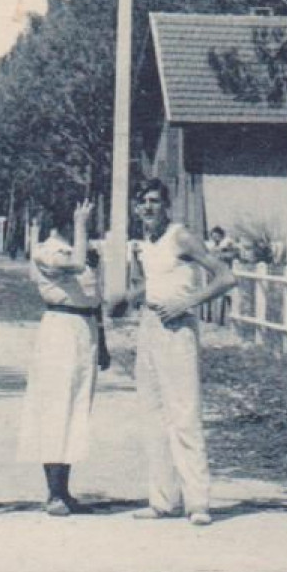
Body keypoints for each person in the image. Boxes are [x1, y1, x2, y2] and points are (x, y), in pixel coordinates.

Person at [120, 178, 236, 527]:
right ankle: (162, 500)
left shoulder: (180, 236)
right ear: (136, 207)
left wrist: (189, 302)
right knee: (152, 416)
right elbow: (146, 286)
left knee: (184, 414)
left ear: (165, 205)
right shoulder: (143, 244)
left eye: (155, 201)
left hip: (179, 328)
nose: (148, 208)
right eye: (142, 202)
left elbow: (225, 277)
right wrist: (125, 297)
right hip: (150, 327)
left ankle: (197, 502)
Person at [18, 198, 106, 516]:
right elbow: (79, 265)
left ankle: (65, 490)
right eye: (78, 218)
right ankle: (53, 493)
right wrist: (81, 227)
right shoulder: (48, 250)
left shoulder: (80, 247)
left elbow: (94, 297)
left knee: (77, 409)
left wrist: (104, 343)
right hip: (59, 330)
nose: (84, 223)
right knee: (56, 408)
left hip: (85, 330)